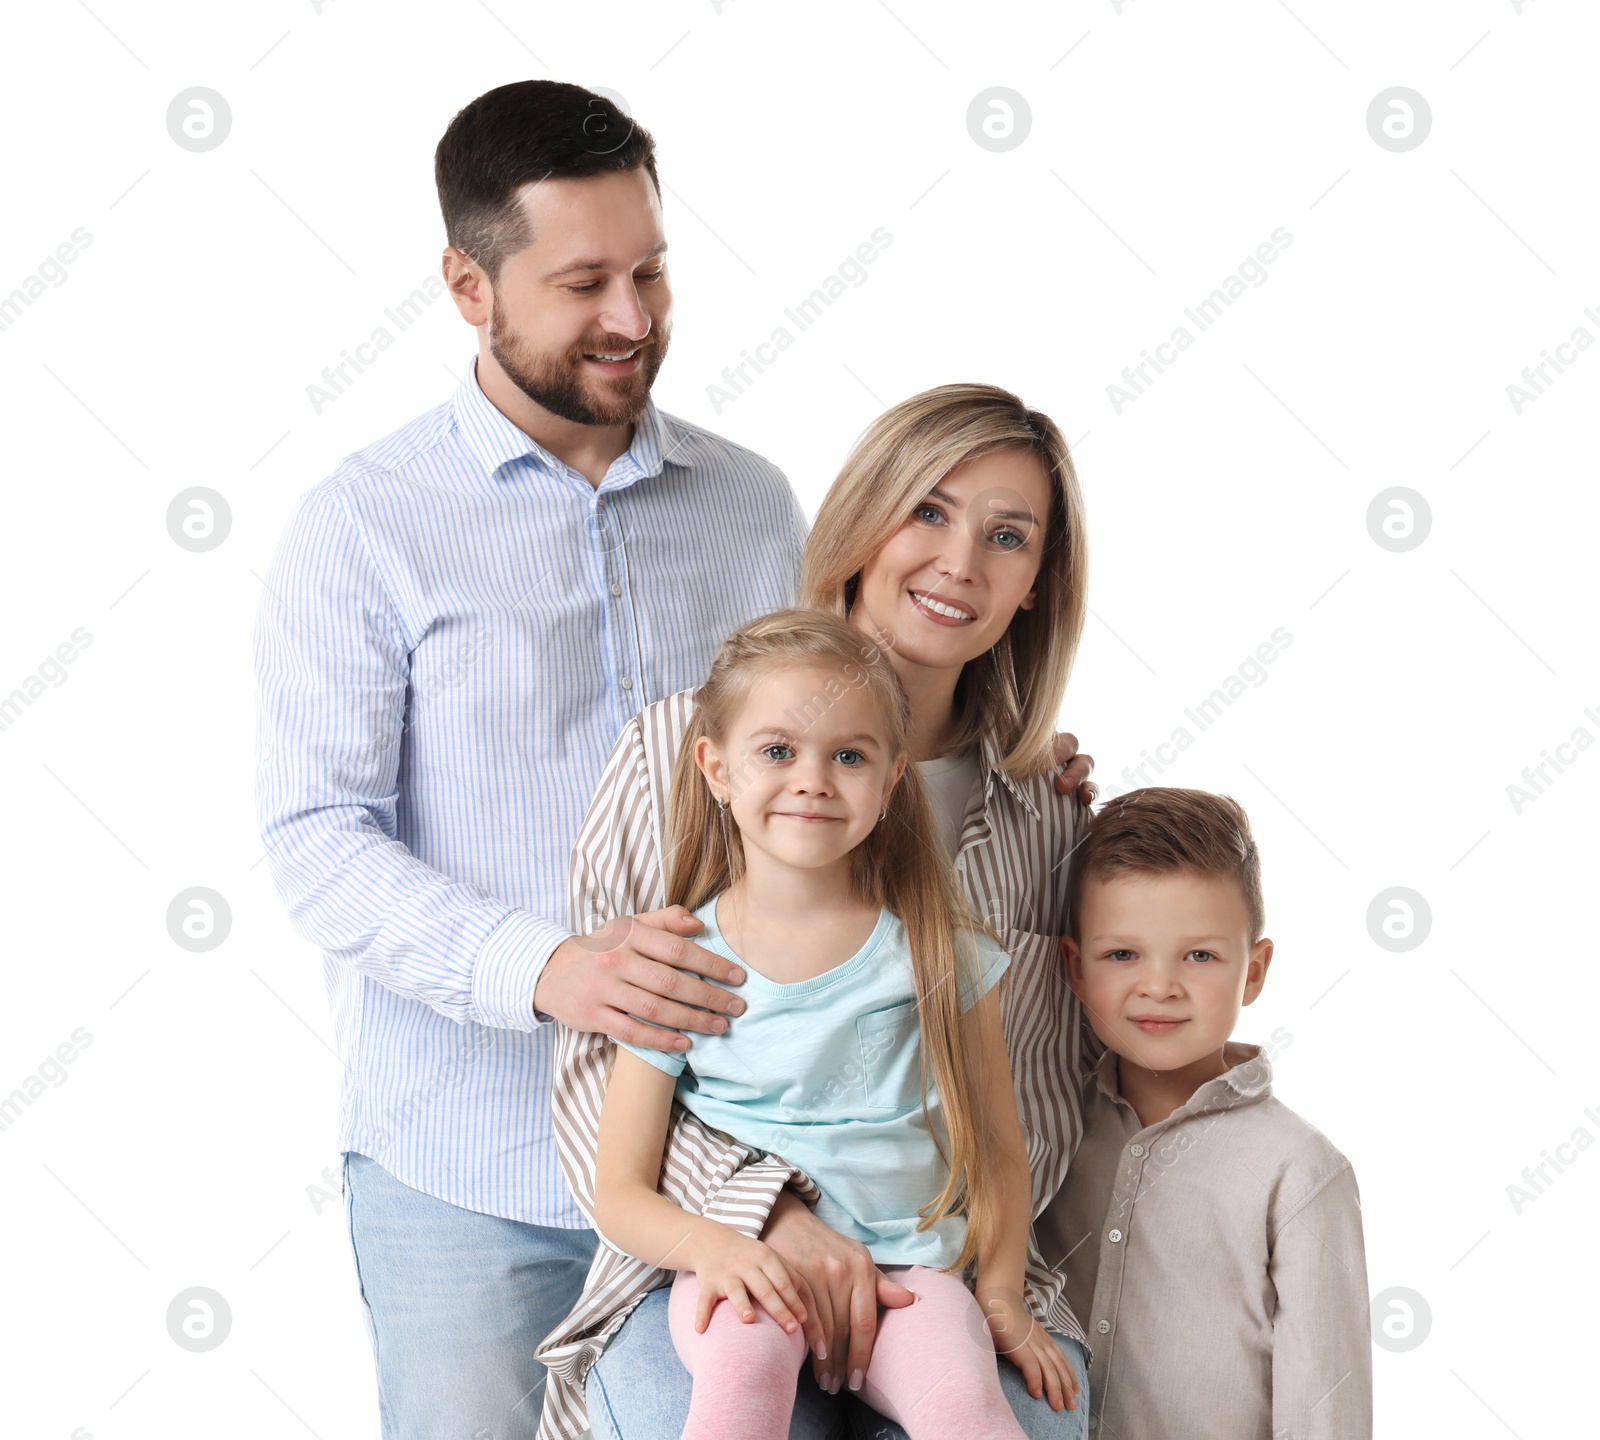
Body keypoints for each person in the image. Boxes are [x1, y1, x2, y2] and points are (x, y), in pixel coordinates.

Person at [253, 79, 1094, 1439]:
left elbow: (848, 726)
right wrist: (551, 969)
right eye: (585, 281)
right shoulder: (365, 526)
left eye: (651, 270)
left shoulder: (749, 501)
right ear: (470, 285)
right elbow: (315, 839)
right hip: (470, 1160)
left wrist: (1017, 748)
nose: (634, 319)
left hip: (754, 1162)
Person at [537, 385, 1097, 1440]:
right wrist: (770, 1217)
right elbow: (589, 1073)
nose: (960, 563)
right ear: (859, 520)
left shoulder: (1045, 811)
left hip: (941, 1267)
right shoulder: (678, 747)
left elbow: (1040, 1106)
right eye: (927, 510)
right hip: (714, 1258)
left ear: (1034, 584)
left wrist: (996, 1284)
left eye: (1007, 536)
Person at [593, 611, 1079, 1440]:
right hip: (755, 1277)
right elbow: (620, 1190)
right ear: (716, 768)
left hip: (913, 1276)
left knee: (968, 1409)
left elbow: (999, 1147)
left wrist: (999, 1292)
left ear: (892, 780)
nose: (813, 779)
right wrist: (716, 1248)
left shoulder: (940, 952)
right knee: (738, 1396)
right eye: (778, 750)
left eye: (848, 756)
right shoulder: (679, 962)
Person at [1043, 788, 1371, 1438]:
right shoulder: (1047, 1124)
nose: (1159, 985)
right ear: (1075, 970)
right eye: (1122, 954)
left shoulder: (1298, 1170)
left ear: (1254, 970)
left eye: (1199, 955)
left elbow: (1325, 1403)